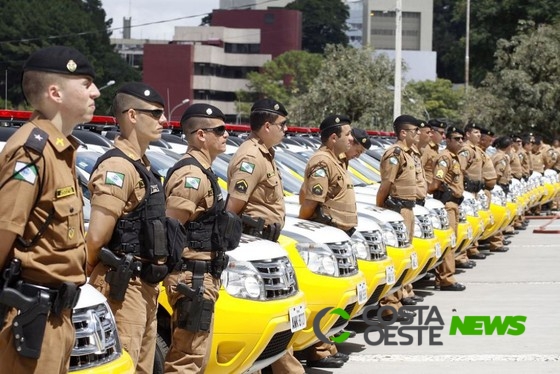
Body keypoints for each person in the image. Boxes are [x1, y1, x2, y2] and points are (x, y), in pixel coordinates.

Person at [0, 46, 98, 372]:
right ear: (55, 92)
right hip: (29, 318)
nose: (95, 92)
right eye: (85, 84)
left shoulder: (60, 151)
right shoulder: (33, 152)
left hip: (56, 318)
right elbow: (3, 233)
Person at [86, 82, 168, 373]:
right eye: (156, 113)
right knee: (125, 363)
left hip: (144, 284)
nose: (163, 120)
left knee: (142, 366)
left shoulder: (141, 165)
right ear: (132, 115)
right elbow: (96, 237)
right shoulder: (118, 167)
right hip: (123, 285)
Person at [226, 98, 306, 374]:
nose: (287, 129)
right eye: (282, 124)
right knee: (270, 315)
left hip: (267, 243)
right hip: (254, 241)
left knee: (279, 314)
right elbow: (233, 207)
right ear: (267, 125)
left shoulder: (265, 154)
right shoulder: (251, 158)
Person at [163, 104, 241, 373]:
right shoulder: (191, 176)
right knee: (186, 359)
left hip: (202, 276)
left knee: (196, 357)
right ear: (200, 135)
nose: (226, 134)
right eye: (219, 130)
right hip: (192, 278)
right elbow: (170, 230)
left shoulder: (203, 171)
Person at [298, 114, 356, 369]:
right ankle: (318, 348)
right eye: (348, 135)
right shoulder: (322, 161)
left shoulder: (336, 161)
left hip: (337, 237)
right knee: (324, 296)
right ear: (333, 138)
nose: (352, 139)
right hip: (324, 236)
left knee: (335, 297)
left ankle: (326, 344)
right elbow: (311, 203)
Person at [376, 115, 420, 320]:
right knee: (395, 258)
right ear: (403, 133)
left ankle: (398, 300)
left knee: (404, 258)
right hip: (397, 210)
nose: (417, 134)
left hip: (407, 210)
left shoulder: (408, 154)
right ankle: (389, 306)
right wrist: (382, 207)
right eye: (414, 131)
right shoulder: (394, 153)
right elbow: (386, 184)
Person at [428, 126, 467, 291]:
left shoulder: (455, 157)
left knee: (452, 241)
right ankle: (446, 279)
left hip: (455, 204)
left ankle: (442, 277)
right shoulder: (444, 158)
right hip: (447, 204)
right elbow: (436, 182)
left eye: (461, 139)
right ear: (448, 140)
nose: (460, 142)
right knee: (449, 243)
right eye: (456, 139)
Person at [456, 123, 487, 264]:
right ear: (468, 134)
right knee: (465, 222)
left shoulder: (476, 149)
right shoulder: (465, 150)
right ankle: (461, 255)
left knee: (474, 221)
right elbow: (460, 169)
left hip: (475, 191)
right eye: (475, 132)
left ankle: (472, 248)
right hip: (466, 191)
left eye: (479, 132)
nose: (479, 135)